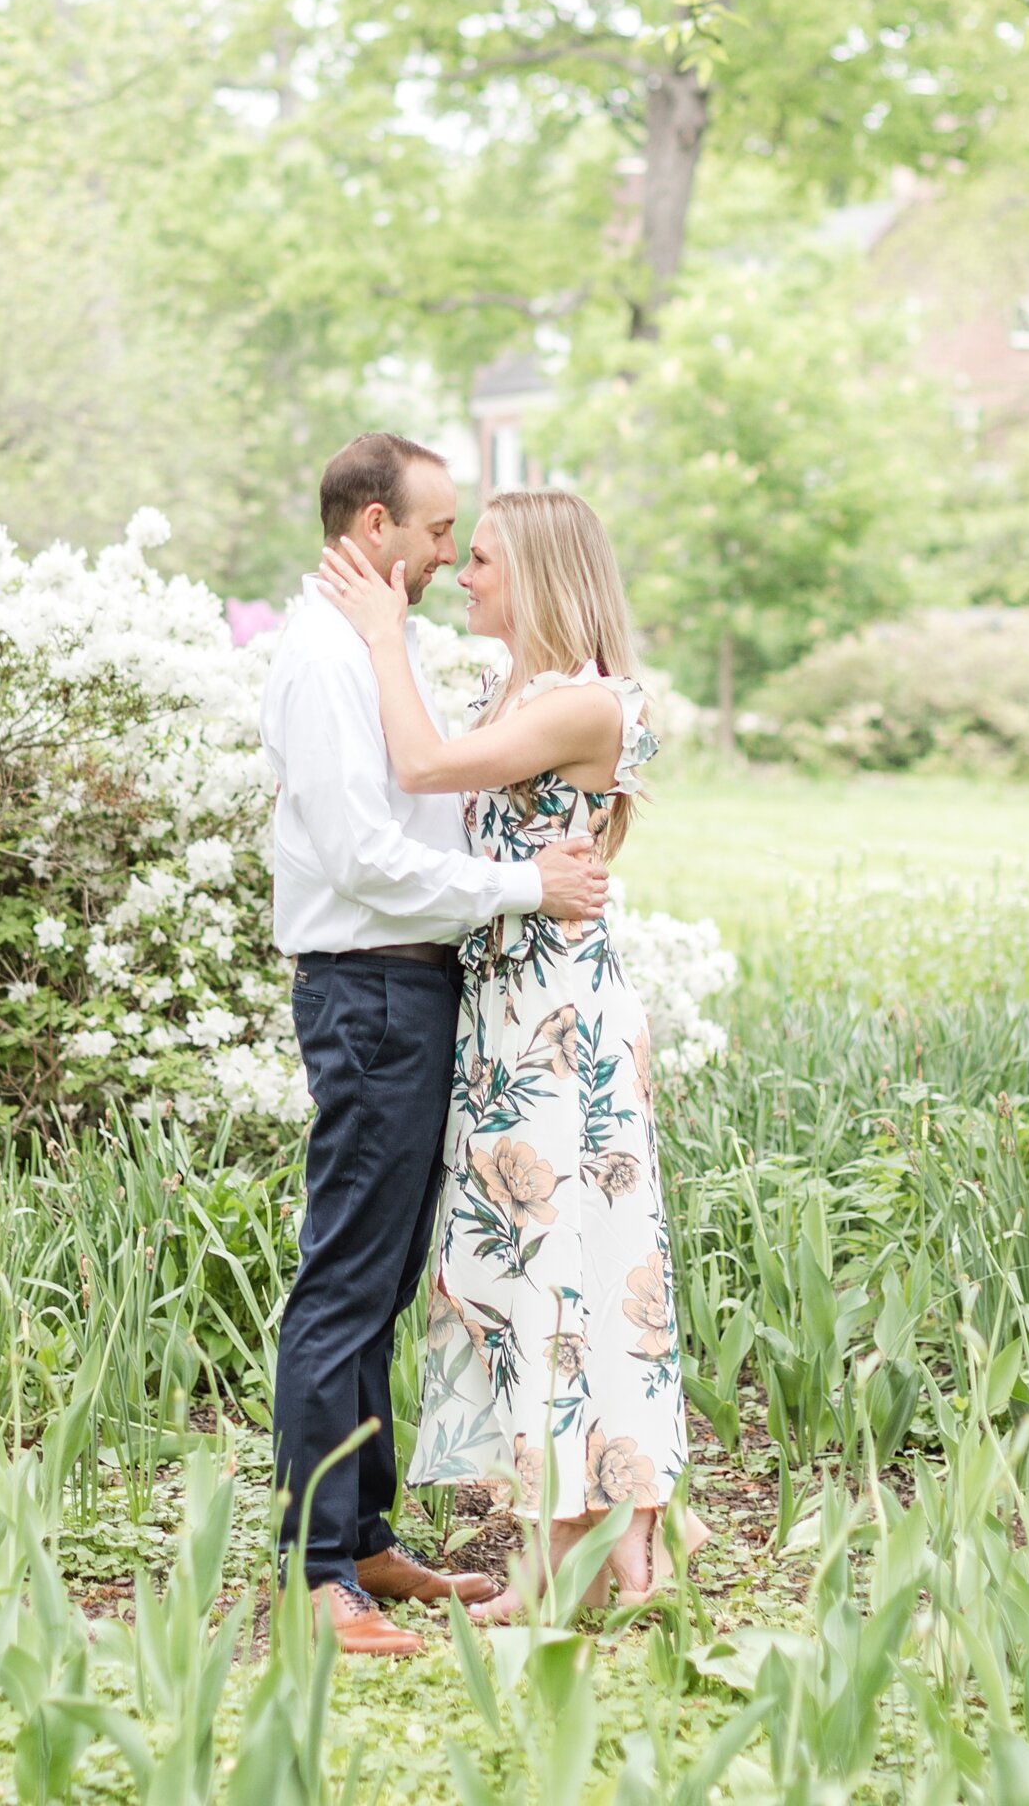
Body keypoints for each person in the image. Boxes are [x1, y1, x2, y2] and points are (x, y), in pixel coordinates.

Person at [317, 484, 702, 1614]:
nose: (462, 574)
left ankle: (565, 1564)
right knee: (524, 1274)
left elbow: (427, 770)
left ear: (535, 571)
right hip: (500, 1018)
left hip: (556, 1028)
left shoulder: (587, 704)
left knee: (556, 1271)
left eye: (480, 558)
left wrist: (383, 638)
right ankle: (604, 1542)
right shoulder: (508, 689)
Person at [262, 433, 612, 1658]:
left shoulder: (381, 648)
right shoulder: (321, 660)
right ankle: (317, 1573)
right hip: (363, 991)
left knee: (385, 1275)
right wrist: (522, 884)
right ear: (372, 528)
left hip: (411, 991)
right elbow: (360, 859)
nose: (445, 555)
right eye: (431, 533)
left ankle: (361, 1539)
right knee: (344, 1277)